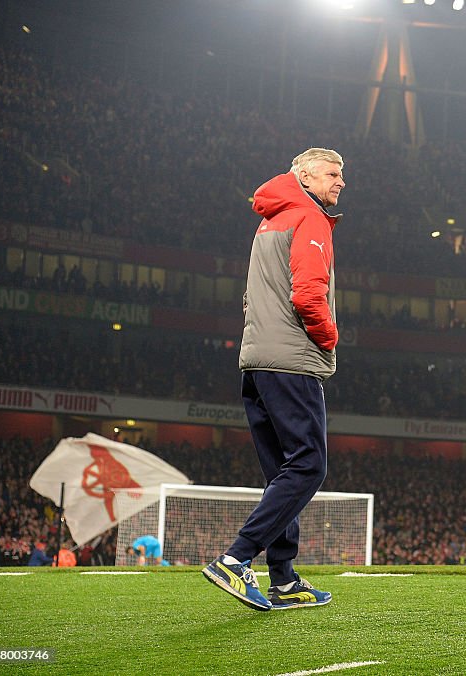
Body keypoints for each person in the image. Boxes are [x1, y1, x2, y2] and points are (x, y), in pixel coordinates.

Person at [202, 147, 345, 611]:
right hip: (292, 360)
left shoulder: (270, 219)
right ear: (303, 175)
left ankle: (283, 579)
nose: (340, 182)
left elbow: (252, 296)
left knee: (280, 474)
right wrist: (328, 338)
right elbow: (307, 294)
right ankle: (237, 559)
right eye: (332, 173)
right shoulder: (310, 218)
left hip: (258, 360)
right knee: (308, 466)